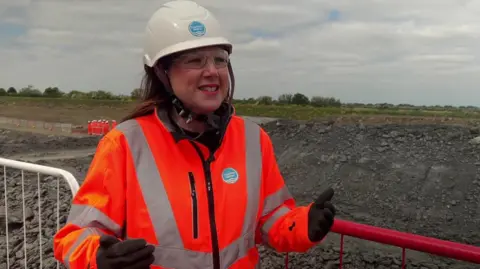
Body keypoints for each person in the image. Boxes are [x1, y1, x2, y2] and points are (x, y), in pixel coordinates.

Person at [52, 1, 337, 268]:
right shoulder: (126, 144)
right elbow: (73, 236)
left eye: (219, 59)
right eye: (195, 60)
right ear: (163, 73)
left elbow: (271, 219)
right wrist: (98, 258)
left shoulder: (253, 140)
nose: (212, 71)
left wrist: (301, 225)